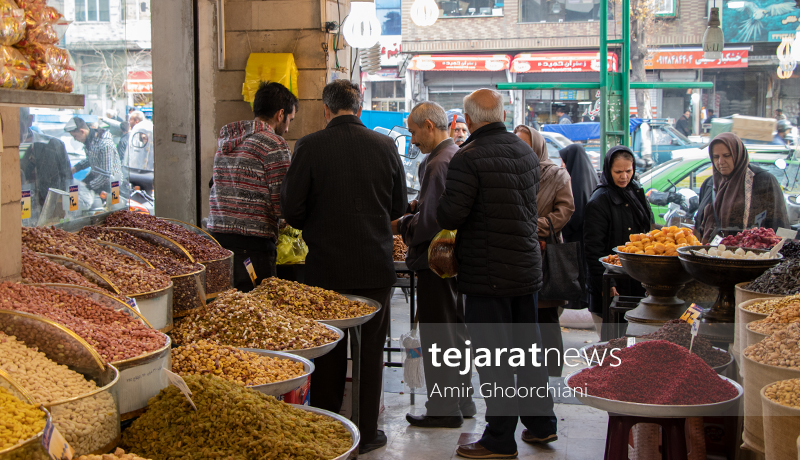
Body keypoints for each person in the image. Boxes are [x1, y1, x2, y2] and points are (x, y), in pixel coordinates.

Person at [281, 79, 407, 455]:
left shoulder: (309, 146)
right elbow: (399, 207)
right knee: (370, 354)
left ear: (325, 109)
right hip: (375, 268)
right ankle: (367, 433)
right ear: (360, 106)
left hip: (325, 270)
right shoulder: (386, 146)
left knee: (329, 352)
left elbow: (292, 210)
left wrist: (320, 221)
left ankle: (327, 430)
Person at [437, 89, 558, 459]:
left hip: (488, 273)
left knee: (496, 359)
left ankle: (499, 439)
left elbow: (450, 215)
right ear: (502, 114)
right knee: (528, 351)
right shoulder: (525, 151)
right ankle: (541, 425)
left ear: (469, 120)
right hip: (524, 269)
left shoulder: (467, 157)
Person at [393, 102, 475, 428]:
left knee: (439, 336)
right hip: (454, 261)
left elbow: (429, 221)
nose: (412, 140)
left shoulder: (440, 162)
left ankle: (443, 408)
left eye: (413, 132)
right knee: (456, 332)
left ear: (429, 126)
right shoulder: (452, 155)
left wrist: (402, 224)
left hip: (436, 261)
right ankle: (463, 400)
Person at [207, 81, 298, 291]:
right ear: (280, 113)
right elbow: (282, 203)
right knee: (259, 314)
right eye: (289, 120)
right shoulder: (274, 144)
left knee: (227, 311)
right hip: (253, 247)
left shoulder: (227, 139)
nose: (288, 127)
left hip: (217, 243)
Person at [514, 125, 575, 378]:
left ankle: (551, 370)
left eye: (526, 144)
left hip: (545, 253)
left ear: (537, 146)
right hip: (518, 254)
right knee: (522, 316)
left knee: (547, 314)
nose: (522, 150)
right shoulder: (512, 172)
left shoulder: (557, 176)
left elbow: (565, 211)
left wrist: (531, 227)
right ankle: (524, 367)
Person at [584, 146, 653, 335]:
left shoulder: (636, 192)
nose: (624, 176)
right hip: (610, 283)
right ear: (608, 170)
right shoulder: (599, 201)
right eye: (618, 172)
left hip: (635, 282)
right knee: (611, 344)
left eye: (628, 171)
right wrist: (607, 283)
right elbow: (593, 249)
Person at [695, 132, 789, 243]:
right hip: (712, 256)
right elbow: (698, 227)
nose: (720, 162)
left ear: (738, 154)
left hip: (753, 257)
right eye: (716, 157)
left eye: (727, 155)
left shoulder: (763, 181)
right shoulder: (709, 184)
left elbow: (780, 224)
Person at [559, 144, 598, 311]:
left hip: (576, 238)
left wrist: (563, 228)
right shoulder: (590, 175)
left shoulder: (575, 181)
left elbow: (576, 213)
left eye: (564, 161)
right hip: (587, 237)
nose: (562, 165)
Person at [19, 108, 72, 208]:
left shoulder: (53, 145)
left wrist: (61, 208)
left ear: (29, 120)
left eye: (17, 123)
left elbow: (67, 180)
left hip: (48, 210)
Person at [67, 117, 122, 197]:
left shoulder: (105, 144)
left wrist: (88, 186)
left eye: (75, 136)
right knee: (75, 193)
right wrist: (76, 168)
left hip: (112, 185)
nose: (75, 139)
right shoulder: (90, 142)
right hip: (98, 180)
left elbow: (106, 174)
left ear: (82, 131)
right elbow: (92, 159)